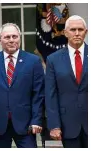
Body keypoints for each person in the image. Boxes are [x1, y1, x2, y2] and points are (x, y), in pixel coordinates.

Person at [0, 23, 44, 148]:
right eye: (7, 37)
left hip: (26, 125)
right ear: (0, 40)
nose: (11, 40)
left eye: (15, 36)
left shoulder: (33, 61)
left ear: (20, 38)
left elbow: (38, 94)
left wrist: (36, 120)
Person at [45, 15, 88, 148]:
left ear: (85, 32)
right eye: (73, 29)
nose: (76, 33)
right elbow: (50, 95)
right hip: (68, 124)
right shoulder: (53, 59)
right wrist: (54, 125)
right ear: (65, 32)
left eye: (80, 29)